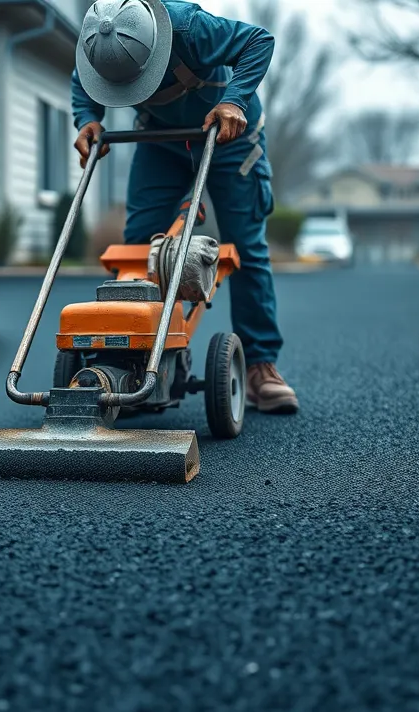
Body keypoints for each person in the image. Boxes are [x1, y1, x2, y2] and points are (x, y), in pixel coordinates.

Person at [71, 0, 298, 414]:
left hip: (230, 136)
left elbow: (258, 41)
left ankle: (262, 367)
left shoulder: (191, 28)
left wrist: (234, 101)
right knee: (139, 245)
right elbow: (81, 80)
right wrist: (87, 117)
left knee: (246, 246)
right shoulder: (98, 40)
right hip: (160, 138)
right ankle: (136, 359)